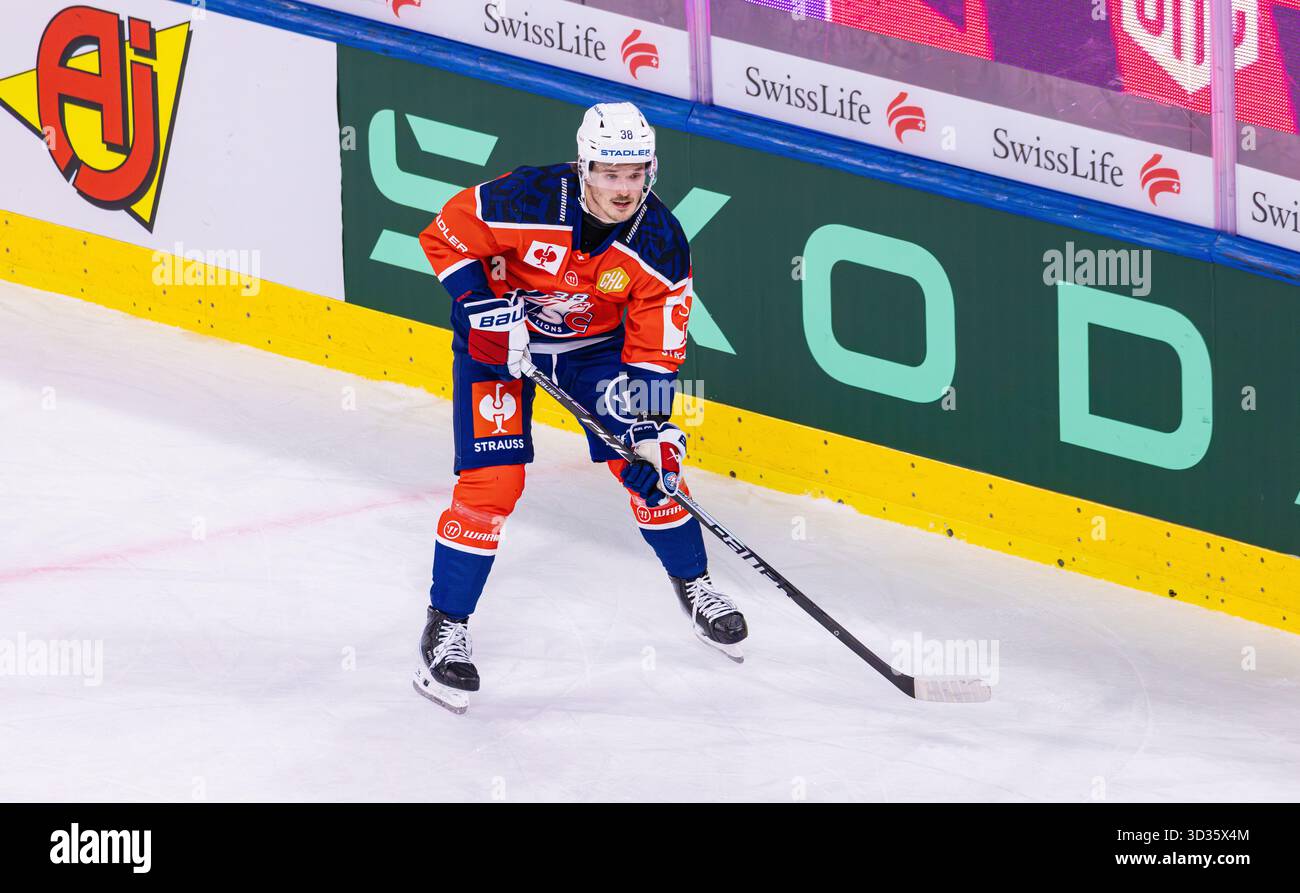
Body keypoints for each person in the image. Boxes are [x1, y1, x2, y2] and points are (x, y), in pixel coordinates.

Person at [413, 102, 748, 713]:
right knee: (492, 482)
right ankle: (445, 631)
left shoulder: (661, 244)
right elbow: (446, 234)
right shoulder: (527, 197)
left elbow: (653, 352)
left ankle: (695, 585)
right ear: (584, 166)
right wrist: (479, 308)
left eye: (636, 173)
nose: (624, 189)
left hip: (596, 355)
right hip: (498, 342)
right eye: (610, 173)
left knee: (657, 476)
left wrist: (649, 435)